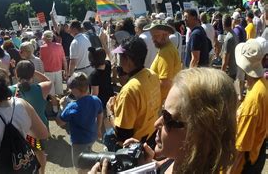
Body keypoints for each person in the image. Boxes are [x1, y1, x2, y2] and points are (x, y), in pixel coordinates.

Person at [90, 68, 237, 173]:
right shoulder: (181, 159)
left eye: (168, 118)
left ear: (199, 133)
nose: (157, 123)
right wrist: (147, 165)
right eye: (162, 112)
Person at [106, 36, 160, 151]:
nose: (118, 59)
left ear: (128, 60)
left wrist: (110, 112)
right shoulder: (152, 74)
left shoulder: (129, 91)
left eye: (120, 56)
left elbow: (122, 136)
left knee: (108, 137)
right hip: (150, 135)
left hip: (134, 146)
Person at [231, 39, 268, 173]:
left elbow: (241, 149)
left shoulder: (251, 103)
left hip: (245, 164)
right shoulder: (263, 84)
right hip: (258, 151)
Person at [10, 60, 52, 174]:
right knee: (39, 152)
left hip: (20, 130)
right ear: (32, 74)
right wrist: (33, 72)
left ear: (16, 74)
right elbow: (48, 81)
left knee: (21, 154)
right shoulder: (41, 89)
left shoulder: (10, 91)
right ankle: (41, 171)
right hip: (38, 131)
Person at [55, 72, 103, 173]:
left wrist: (61, 107)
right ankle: (90, 166)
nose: (70, 91)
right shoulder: (96, 100)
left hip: (79, 142)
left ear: (76, 90)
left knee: (79, 165)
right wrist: (98, 128)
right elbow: (100, 114)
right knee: (89, 154)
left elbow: (60, 123)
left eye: (71, 89)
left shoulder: (72, 107)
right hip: (92, 136)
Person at [144, 20, 181, 104]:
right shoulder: (166, 49)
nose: (153, 39)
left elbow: (165, 82)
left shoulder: (166, 52)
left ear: (165, 35)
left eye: (156, 36)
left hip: (163, 100)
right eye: (152, 36)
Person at [40, 30, 67, 97]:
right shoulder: (59, 46)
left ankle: (55, 107)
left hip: (48, 73)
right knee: (59, 91)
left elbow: (41, 62)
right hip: (58, 71)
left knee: (51, 93)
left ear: (44, 38)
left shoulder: (42, 48)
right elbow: (64, 60)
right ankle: (60, 106)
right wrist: (66, 71)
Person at [221, 14, 239, 80]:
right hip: (235, 68)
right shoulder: (234, 34)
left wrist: (221, 74)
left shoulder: (228, 38)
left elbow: (225, 60)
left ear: (223, 24)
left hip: (230, 72)